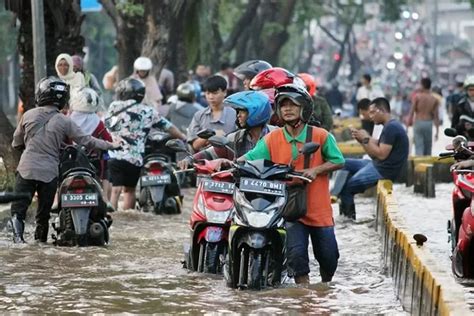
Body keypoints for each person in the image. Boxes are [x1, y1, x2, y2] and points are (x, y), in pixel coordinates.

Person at [220, 84, 345, 284]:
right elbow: (250, 158)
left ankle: (324, 292)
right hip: (289, 210)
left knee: (329, 258)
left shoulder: (321, 136)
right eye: (283, 105)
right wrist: (230, 163)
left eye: (293, 105)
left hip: (319, 209)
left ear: (303, 108)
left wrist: (315, 170)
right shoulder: (272, 138)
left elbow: (339, 160)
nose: (287, 108)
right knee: (296, 259)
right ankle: (303, 298)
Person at [9, 76, 120, 243]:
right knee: (43, 215)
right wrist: (112, 145)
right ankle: (40, 243)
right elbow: (87, 141)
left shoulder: (28, 115)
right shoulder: (64, 121)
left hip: (26, 170)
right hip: (50, 173)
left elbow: (16, 143)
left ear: (41, 94)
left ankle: (18, 241)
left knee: (18, 211)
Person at [105, 78, 186, 211]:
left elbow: (107, 126)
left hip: (115, 155)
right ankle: (128, 217)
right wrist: (183, 138)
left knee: (115, 190)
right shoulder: (148, 111)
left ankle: (114, 219)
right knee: (129, 191)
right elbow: (169, 127)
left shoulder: (114, 106)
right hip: (134, 159)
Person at [338, 97, 409, 220]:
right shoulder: (390, 125)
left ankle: (348, 220)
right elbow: (377, 143)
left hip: (383, 170)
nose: (370, 116)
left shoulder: (391, 128)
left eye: (372, 112)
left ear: (381, 110)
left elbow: (381, 154)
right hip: (376, 165)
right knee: (343, 163)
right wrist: (362, 137)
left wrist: (364, 140)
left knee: (347, 189)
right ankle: (334, 193)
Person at [178, 90, 275, 170]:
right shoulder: (236, 137)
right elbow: (209, 153)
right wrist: (189, 159)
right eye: (238, 112)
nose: (238, 115)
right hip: (241, 189)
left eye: (242, 111)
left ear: (257, 112)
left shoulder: (276, 135)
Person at [69, 87, 113, 203]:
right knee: (106, 161)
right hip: (93, 161)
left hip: (70, 159)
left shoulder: (68, 119)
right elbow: (108, 139)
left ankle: (55, 199)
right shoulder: (97, 121)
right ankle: (105, 198)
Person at [187, 75, 237, 152]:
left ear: (224, 92)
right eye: (208, 93)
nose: (211, 97)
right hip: (204, 161)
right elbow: (195, 145)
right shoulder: (199, 115)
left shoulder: (235, 115)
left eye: (215, 93)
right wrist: (212, 135)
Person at [408, 77, 439, 156]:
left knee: (418, 146)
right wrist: (437, 131)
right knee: (428, 146)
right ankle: (427, 166)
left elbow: (411, 112)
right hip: (428, 123)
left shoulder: (417, 97)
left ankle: (419, 166)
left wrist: (408, 125)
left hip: (418, 122)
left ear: (422, 85)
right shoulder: (434, 99)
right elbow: (436, 116)